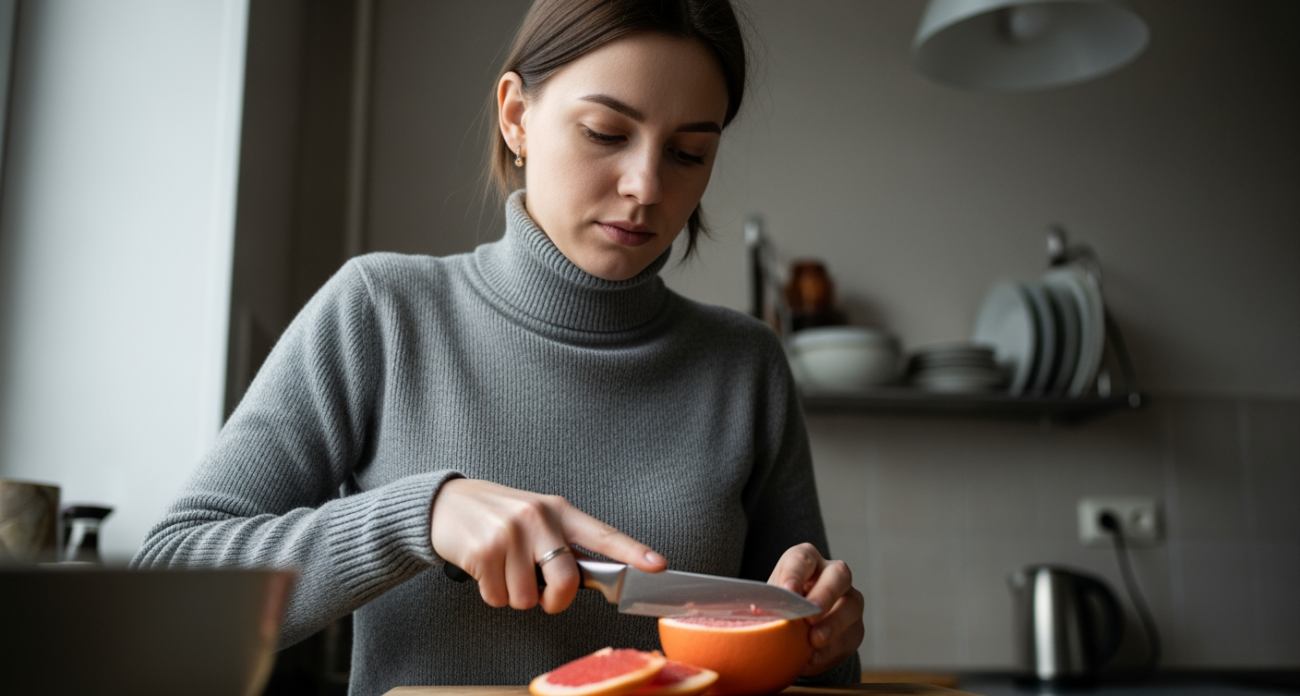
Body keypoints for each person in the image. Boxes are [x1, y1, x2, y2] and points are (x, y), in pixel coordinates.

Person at [133, 1, 865, 694]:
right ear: (517, 115)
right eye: (606, 133)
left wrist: (825, 635)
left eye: (687, 151)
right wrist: (417, 518)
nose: (646, 186)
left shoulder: (747, 366)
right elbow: (167, 592)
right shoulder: (380, 312)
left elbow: (816, 672)